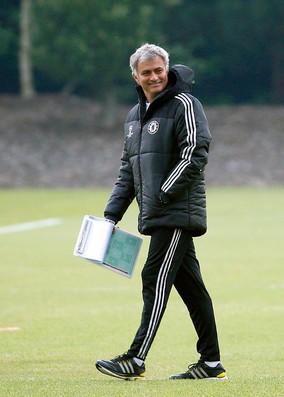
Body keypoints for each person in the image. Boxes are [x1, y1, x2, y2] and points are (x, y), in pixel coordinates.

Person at [95, 43, 227, 381]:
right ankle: (211, 364)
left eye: (158, 70)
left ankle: (136, 359)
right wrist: (111, 215)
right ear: (135, 77)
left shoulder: (185, 103)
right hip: (158, 213)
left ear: (166, 69)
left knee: (154, 278)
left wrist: (164, 193)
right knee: (192, 288)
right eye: (146, 72)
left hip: (176, 212)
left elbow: (196, 151)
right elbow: (129, 170)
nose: (154, 76)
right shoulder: (133, 116)